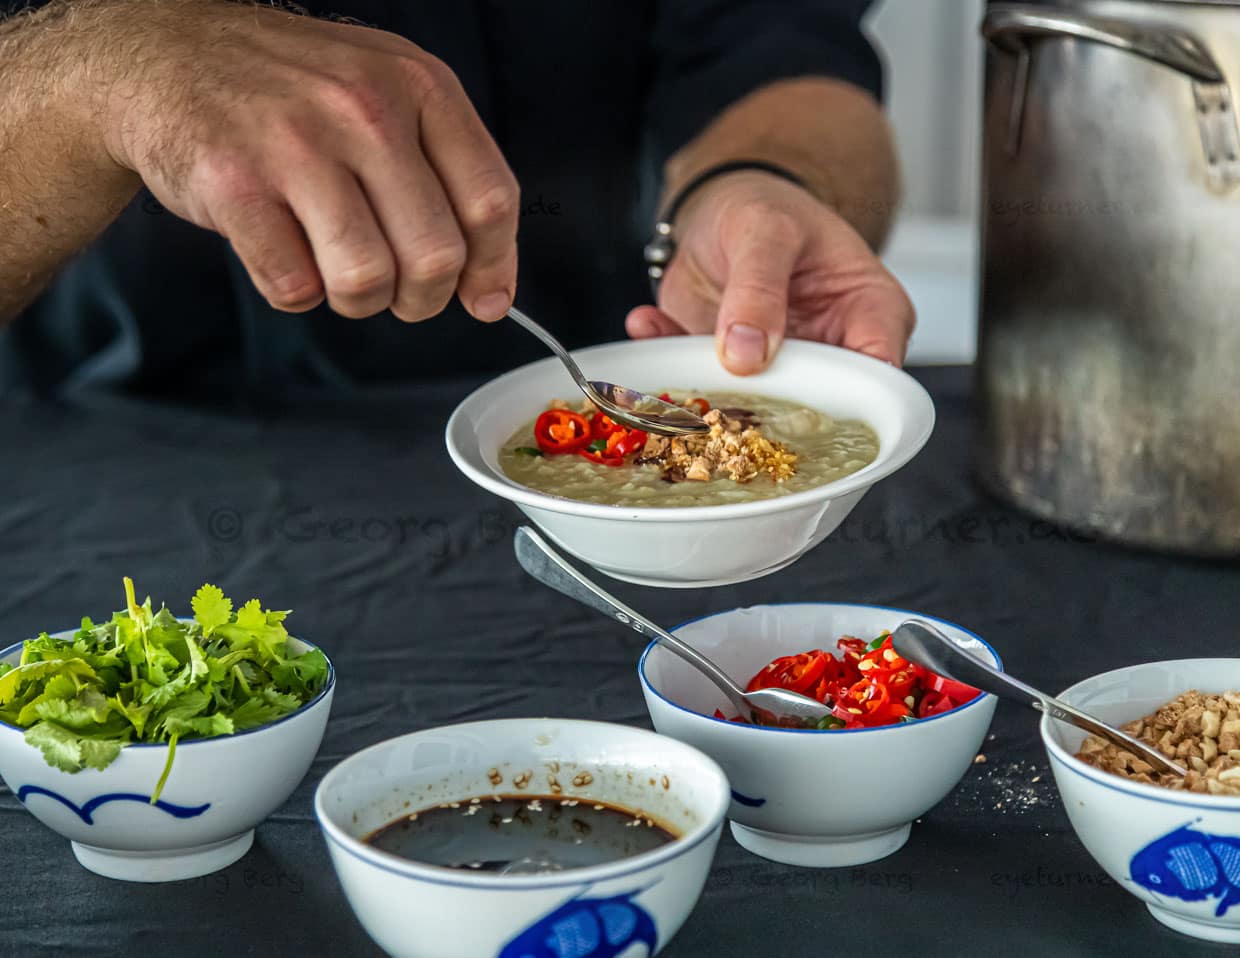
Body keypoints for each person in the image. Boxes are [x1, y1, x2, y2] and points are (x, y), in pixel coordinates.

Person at [0, 0, 915, 396]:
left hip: (611, 404)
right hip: (110, 430)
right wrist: (100, 81)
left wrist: (758, 185)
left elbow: (784, 49)